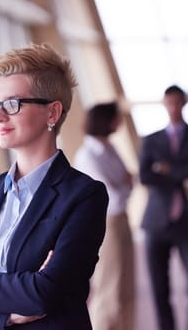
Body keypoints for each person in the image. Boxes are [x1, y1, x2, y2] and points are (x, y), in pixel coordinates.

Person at [0, 43, 109, 330]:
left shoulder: (83, 196)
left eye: (13, 104)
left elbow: (45, 293)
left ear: (52, 113)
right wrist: (6, 317)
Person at [139, 85, 188, 330]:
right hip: (155, 223)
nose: (173, 108)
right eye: (169, 103)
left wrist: (166, 168)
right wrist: (181, 171)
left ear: (184, 103)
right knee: (159, 290)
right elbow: (145, 176)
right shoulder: (150, 140)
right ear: (164, 104)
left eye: (178, 102)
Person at [73, 101, 135, 330]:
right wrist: (124, 184)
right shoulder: (88, 155)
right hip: (106, 223)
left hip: (121, 219)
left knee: (126, 287)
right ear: (105, 121)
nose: (119, 122)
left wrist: (124, 185)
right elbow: (114, 195)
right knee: (109, 286)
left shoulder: (109, 148)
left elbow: (128, 183)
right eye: (116, 118)